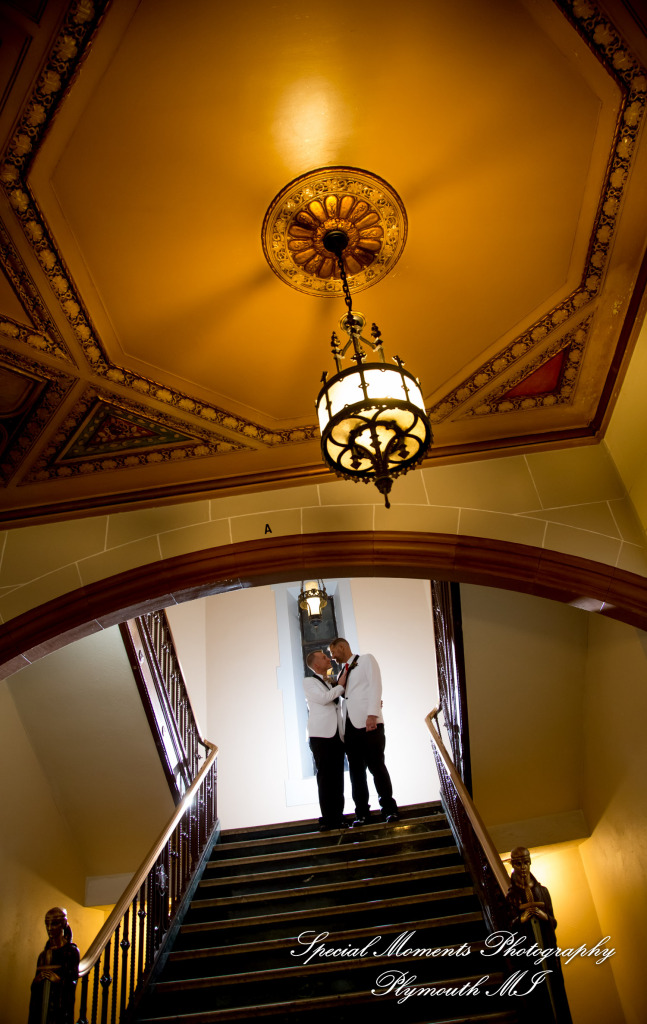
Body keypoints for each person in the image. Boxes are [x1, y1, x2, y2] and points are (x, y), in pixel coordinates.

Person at [328, 637, 399, 826]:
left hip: (370, 723)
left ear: (342, 647)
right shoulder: (342, 672)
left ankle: (389, 809)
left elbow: (376, 686)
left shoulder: (367, 660)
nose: (333, 656)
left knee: (377, 766)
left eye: (333, 652)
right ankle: (362, 814)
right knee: (356, 773)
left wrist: (372, 714)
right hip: (349, 726)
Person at [303, 649, 348, 831]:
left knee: (338, 777)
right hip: (321, 735)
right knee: (326, 778)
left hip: (337, 733)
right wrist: (341, 685)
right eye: (323, 657)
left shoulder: (330, 682)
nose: (328, 658)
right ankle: (329, 819)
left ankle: (339, 816)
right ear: (315, 665)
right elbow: (323, 699)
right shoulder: (309, 682)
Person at [28, 906, 80, 1024]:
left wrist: (58, 980)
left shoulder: (70, 952)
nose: (49, 928)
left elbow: (72, 982)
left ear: (63, 924)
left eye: (54, 924)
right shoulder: (43, 955)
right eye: (47, 924)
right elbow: (35, 989)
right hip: (42, 1010)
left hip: (59, 1011)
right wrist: (37, 980)